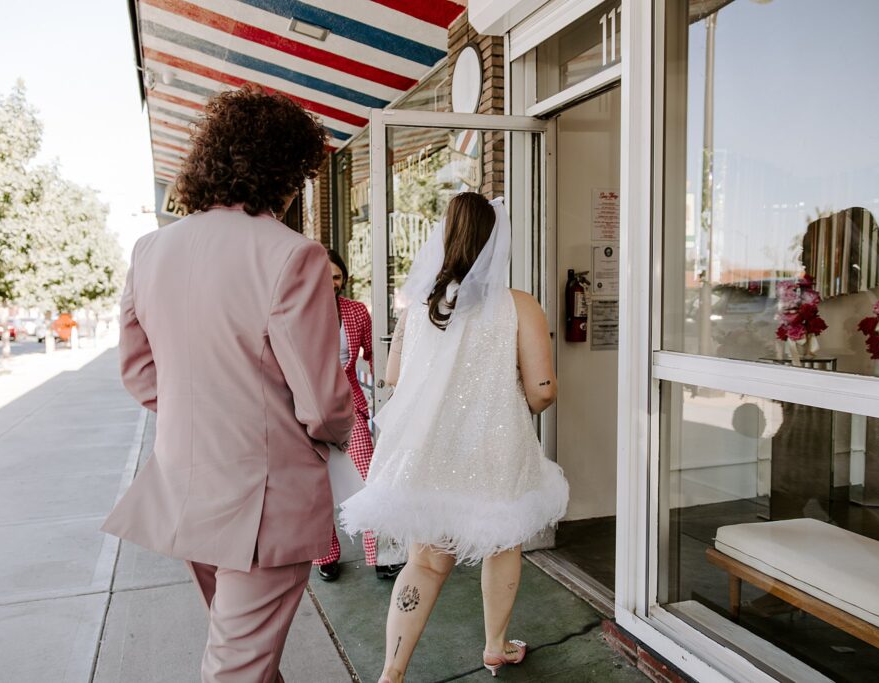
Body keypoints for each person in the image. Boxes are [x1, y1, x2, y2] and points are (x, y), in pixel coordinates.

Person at [101, 86, 353, 683]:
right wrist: (340, 434)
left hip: (186, 482)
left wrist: (204, 410)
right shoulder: (293, 255)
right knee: (237, 665)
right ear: (282, 172)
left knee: (243, 651)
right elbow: (321, 403)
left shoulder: (150, 250)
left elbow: (138, 372)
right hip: (263, 496)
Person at [340, 192, 569, 682]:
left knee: (424, 561)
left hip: (431, 451)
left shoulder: (419, 308)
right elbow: (543, 391)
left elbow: (395, 376)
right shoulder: (519, 306)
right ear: (497, 241)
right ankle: (495, 647)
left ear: (444, 237)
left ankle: (392, 672)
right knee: (502, 544)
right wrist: (506, 397)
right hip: (495, 449)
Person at [315, 250, 405, 582]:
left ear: (344, 279)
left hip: (350, 407)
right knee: (318, 485)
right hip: (307, 411)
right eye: (324, 274)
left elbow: (373, 353)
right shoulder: (296, 312)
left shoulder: (355, 312)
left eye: (336, 276)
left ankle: (381, 554)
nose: (330, 282)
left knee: (368, 481)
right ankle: (325, 555)